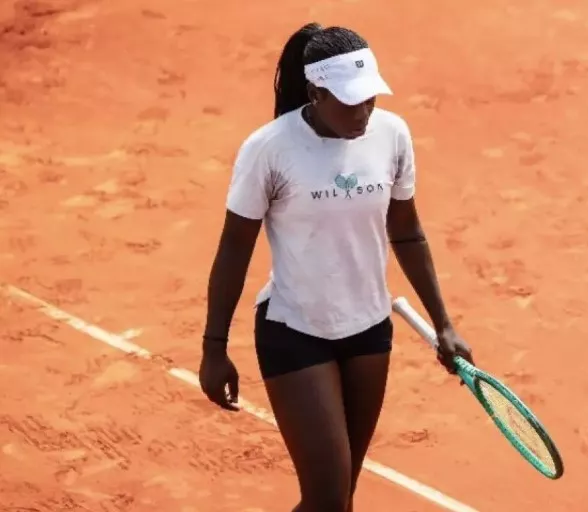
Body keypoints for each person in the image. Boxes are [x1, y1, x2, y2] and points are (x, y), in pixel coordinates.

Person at [197, 22, 475, 512]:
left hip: (369, 332)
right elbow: (234, 249)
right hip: (295, 330)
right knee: (327, 498)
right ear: (315, 93)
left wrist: (444, 324)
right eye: (350, 102)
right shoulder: (269, 149)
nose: (363, 112)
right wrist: (213, 348)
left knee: (339, 499)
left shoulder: (392, 135)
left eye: (370, 99)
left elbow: (407, 232)